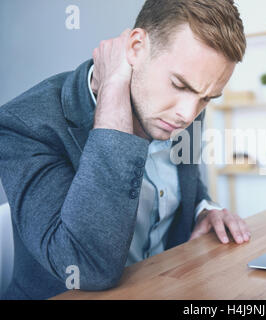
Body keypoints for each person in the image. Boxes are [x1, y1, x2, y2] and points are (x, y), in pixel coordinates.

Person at [0, 0, 249, 300]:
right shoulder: (25, 125)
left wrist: (203, 209)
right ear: (135, 47)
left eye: (207, 98)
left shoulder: (186, 107)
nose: (188, 114)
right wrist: (113, 97)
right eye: (179, 85)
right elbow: (84, 267)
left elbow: (185, 185)